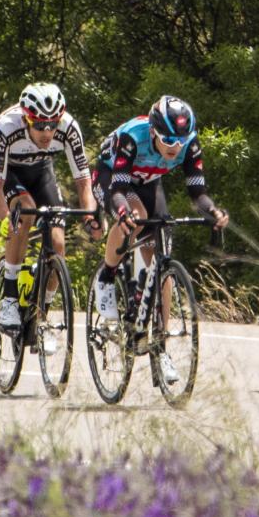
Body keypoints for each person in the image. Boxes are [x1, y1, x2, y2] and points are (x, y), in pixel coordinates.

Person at [90, 96, 230, 384]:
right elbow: (118, 187)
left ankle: (159, 347)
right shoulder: (132, 138)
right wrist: (120, 211)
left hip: (149, 181)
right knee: (135, 215)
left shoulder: (187, 143)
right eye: (168, 140)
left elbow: (197, 193)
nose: (174, 147)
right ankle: (107, 276)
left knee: (162, 256)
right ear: (153, 131)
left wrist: (213, 212)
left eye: (180, 141)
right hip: (113, 177)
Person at [0, 82, 100, 332]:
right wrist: (5, 218)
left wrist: (90, 215)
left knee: (57, 243)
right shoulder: (6, 127)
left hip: (41, 171)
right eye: (39, 125)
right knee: (25, 211)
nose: (47, 132)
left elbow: (83, 180)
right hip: (8, 172)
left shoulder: (69, 128)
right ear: (26, 119)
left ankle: (42, 314)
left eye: (53, 125)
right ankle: (10, 300)